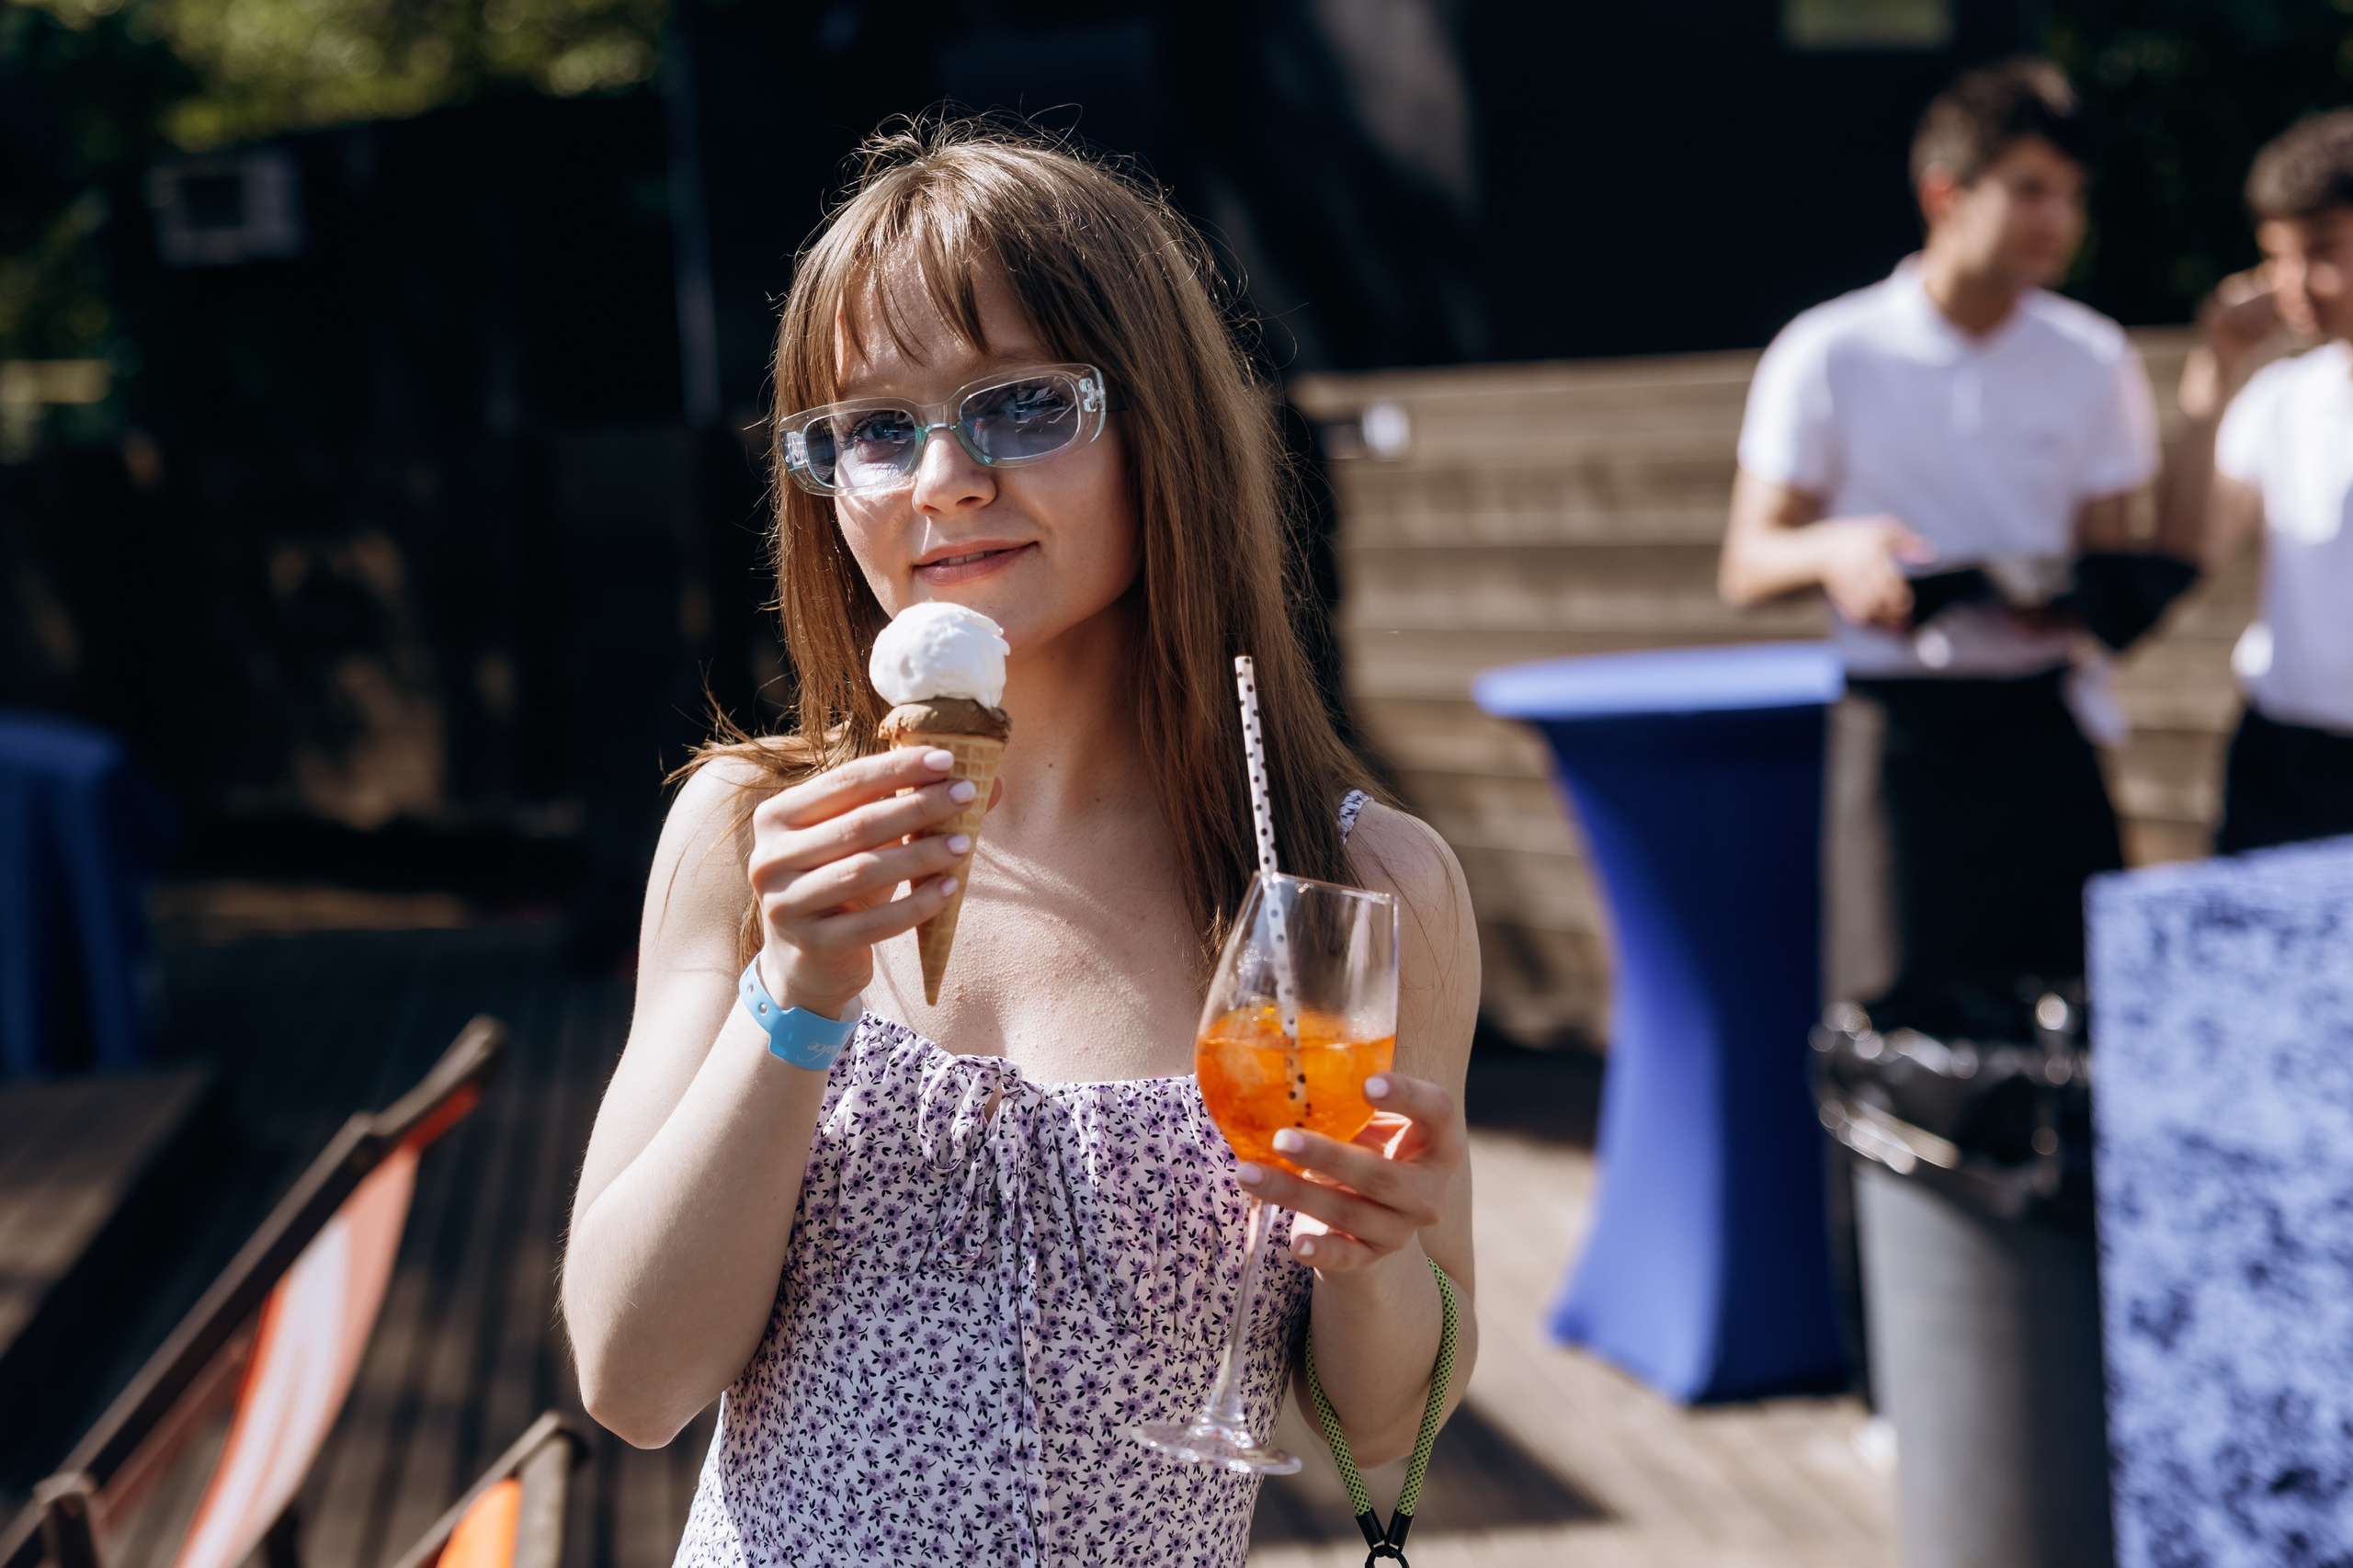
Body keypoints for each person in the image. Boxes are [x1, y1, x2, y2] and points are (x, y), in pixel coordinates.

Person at [560, 122, 1480, 1568]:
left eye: (1025, 404)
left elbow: (1380, 1431)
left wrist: (1373, 1262)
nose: (941, 479)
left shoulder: (1357, 886)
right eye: (870, 427)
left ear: (1161, 423)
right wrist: (795, 995)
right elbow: (631, 1378)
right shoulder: (750, 833)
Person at [1719, 57, 2180, 1028]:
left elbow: (2104, 573)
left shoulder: (2092, 357)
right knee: (1895, 1035)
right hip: (1899, 736)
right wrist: (1838, 551)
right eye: (2029, 190)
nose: (2058, 218)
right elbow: (1748, 561)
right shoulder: (1828, 350)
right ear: (1945, 192)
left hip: (2044, 730)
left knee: (2087, 1021)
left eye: (2071, 195)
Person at [2167, 109, 2353, 855]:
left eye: (2322, 251)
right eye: (2275, 258)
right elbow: (2187, 541)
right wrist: (2214, 372)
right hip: (2283, 769)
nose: (2293, 285)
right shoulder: (2282, 397)